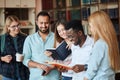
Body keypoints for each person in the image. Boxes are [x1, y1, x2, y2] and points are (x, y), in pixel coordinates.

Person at [23, 11, 60, 80]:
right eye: (41, 23)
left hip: (54, 77)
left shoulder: (57, 38)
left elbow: (62, 59)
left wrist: (51, 68)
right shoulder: (29, 39)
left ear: (49, 22)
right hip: (35, 77)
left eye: (46, 23)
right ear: (37, 22)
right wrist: (38, 65)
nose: (43, 25)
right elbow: (25, 60)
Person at [84, 11, 120, 80]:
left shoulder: (100, 44)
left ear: (98, 27)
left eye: (91, 26)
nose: (90, 29)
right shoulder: (111, 42)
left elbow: (91, 70)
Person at [0, 15, 29, 80]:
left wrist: (25, 57)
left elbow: (31, 54)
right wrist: (2, 58)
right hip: (8, 74)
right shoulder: (2, 39)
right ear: (8, 27)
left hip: (24, 73)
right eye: (13, 26)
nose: (17, 28)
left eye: (18, 25)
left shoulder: (25, 38)